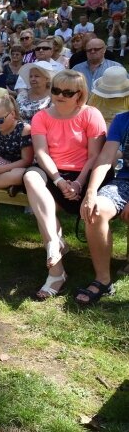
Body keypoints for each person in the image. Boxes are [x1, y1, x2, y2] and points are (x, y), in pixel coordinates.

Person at [23, 70, 107, 300]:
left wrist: (79, 183)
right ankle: (54, 246)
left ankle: (56, 270)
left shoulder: (91, 114)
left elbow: (95, 155)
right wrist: (59, 180)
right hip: (53, 172)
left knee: (43, 211)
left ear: (79, 95)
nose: (59, 95)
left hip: (85, 174)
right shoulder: (41, 116)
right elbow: (41, 153)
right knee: (30, 177)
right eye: (56, 90)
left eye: (67, 92)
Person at [78, 107, 129, 305]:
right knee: (95, 209)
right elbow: (106, 157)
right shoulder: (122, 119)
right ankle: (103, 280)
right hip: (124, 181)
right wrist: (91, 192)